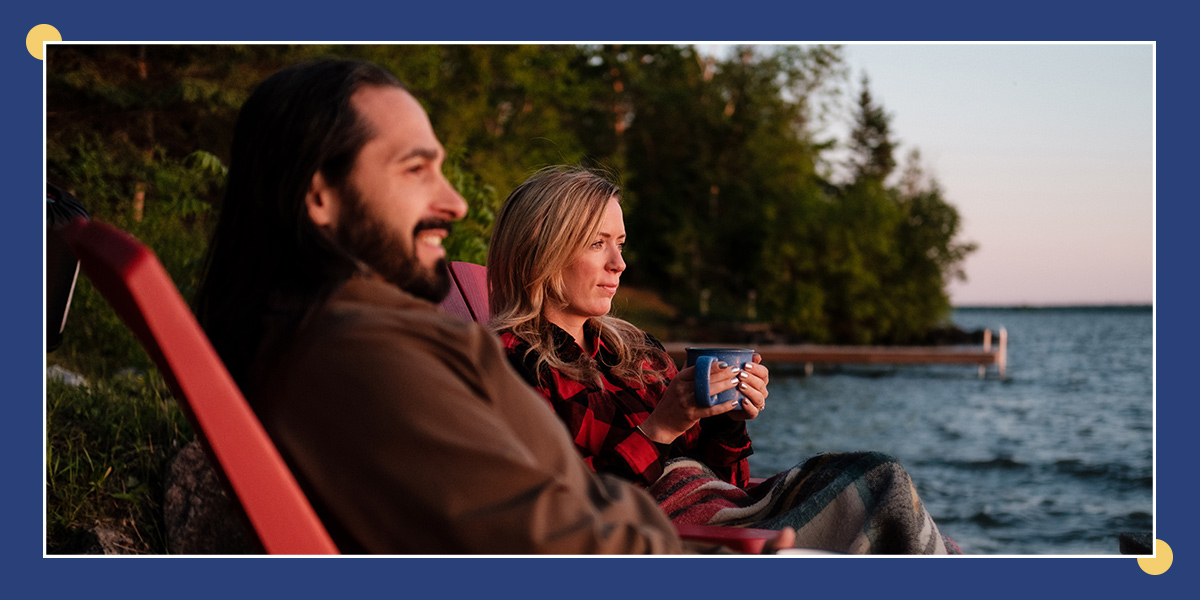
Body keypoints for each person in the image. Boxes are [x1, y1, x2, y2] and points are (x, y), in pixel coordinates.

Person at [193, 58, 791, 554]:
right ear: (319, 195)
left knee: (872, 485)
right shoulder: (363, 355)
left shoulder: (347, 339)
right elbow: (550, 543)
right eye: (415, 169)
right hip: (678, 551)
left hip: (689, 529)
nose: (454, 202)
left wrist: (724, 416)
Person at [488, 166, 961, 554]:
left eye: (621, 243)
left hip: (723, 514)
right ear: (542, 250)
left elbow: (727, 484)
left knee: (883, 483)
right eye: (597, 243)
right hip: (662, 540)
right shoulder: (508, 364)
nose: (620, 264)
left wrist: (727, 421)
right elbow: (563, 520)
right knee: (879, 490)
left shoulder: (635, 353)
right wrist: (661, 429)